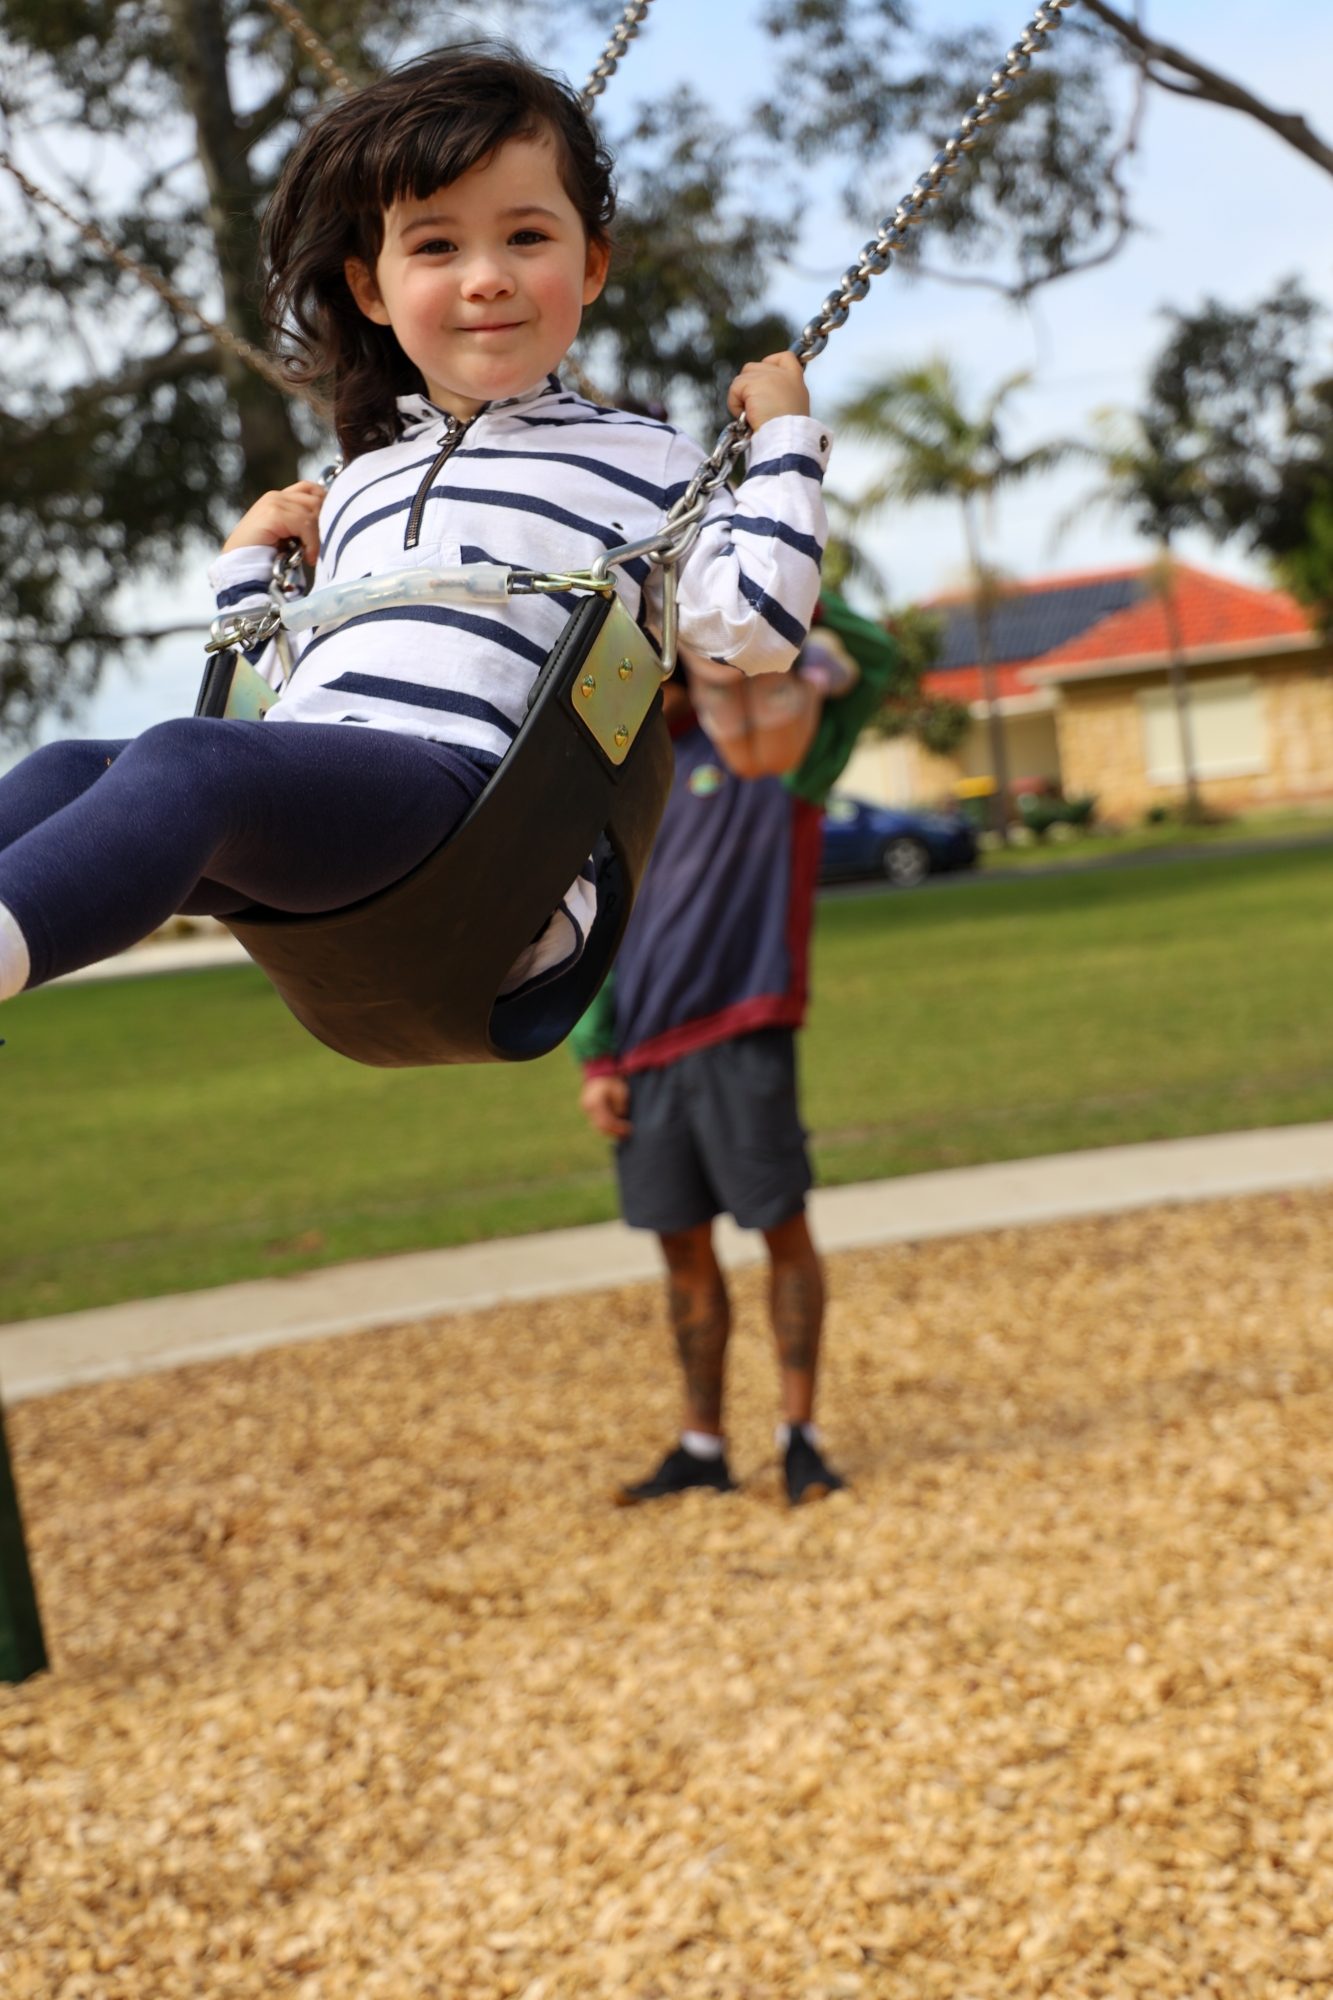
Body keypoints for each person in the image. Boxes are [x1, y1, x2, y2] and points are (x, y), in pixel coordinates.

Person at [0, 45, 830, 1009]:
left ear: (590, 262)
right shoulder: (359, 481)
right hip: (335, 807)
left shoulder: (647, 460)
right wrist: (246, 576)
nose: (486, 278)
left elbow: (759, 628)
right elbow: (282, 701)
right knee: (72, 768)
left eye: (526, 237)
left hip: (479, 821)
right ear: (370, 289)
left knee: (191, 762)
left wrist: (781, 444)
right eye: (436, 247)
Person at [573, 592, 898, 1505]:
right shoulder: (627, 784)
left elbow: (873, 664)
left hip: (744, 1033)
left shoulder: (780, 753)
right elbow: (600, 932)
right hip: (642, 1058)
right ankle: (703, 1447)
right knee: (682, 1257)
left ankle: (799, 1437)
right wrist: (596, 1062)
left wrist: (782, 584)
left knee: (780, 1232)